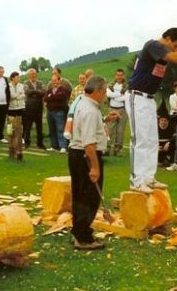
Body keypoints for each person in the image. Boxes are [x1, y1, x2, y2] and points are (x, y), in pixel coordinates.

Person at [125, 12, 177, 193]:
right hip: (136, 97)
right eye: (175, 46)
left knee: (151, 140)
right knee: (140, 140)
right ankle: (135, 180)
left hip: (148, 98)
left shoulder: (166, 47)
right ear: (167, 39)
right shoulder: (153, 45)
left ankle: (148, 178)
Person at [67, 76, 117, 250]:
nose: (104, 96)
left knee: (81, 194)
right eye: (103, 92)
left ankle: (78, 231)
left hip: (78, 154)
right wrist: (95, 167)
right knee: (89, 197)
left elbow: (88, 128)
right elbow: (89, 143)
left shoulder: (84, 104)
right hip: (85, 155)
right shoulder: (90, 110)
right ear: (97, 91)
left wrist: (104, 120)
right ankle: (83, 237)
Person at [105, 69, 128, 157]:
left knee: (120, 131)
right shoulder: (110, 85)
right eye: (118, 75)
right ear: (115, 76)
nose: (119, 77)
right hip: (112, 109)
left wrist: (115, 96)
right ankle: (107, 148)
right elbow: (108, 94)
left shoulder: (126, 85)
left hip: (122, 109)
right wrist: (120, 95)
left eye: (121, 75)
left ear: (123, 76)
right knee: (110, 129)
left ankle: (117, 150)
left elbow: (125, 97)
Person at [44, 73, 69, 153]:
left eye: (55, 80)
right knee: (52, 130)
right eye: (52, 80)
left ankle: (63, 147)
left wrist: (51, 97)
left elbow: (61, 97)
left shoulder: (63, 90)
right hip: (50, 112)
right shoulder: (50, 90)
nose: (54, 82)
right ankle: (54, 146)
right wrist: (51, 97)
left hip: (59, 112)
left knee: (60, 129)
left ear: (59, 80)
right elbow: (45, 98)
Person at [23, 68, 46, 149]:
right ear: (28, 75)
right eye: (31, 74)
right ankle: (27, 142)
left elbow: (43, 92)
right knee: (28, 126)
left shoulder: (40, 82)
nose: (33, 75)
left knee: (39, 127)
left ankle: (40, 143)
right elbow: (27, 92)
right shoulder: (26, 83)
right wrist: (37, 92)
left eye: (34, 74)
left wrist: (33, 92)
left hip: (39, 108)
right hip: (29, 108)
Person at [8, 72, 25, 161]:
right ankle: (12, 146)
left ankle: (20, 139)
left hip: (20, 107)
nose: (18, 79)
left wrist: (17, 96)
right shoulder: (8, 86)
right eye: (17, 77)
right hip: (11, 108)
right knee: (11, 127)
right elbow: (11, 96)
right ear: (12, 78)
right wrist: (18, 95)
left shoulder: (21, 85)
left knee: (19, 126)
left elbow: (23, 95)